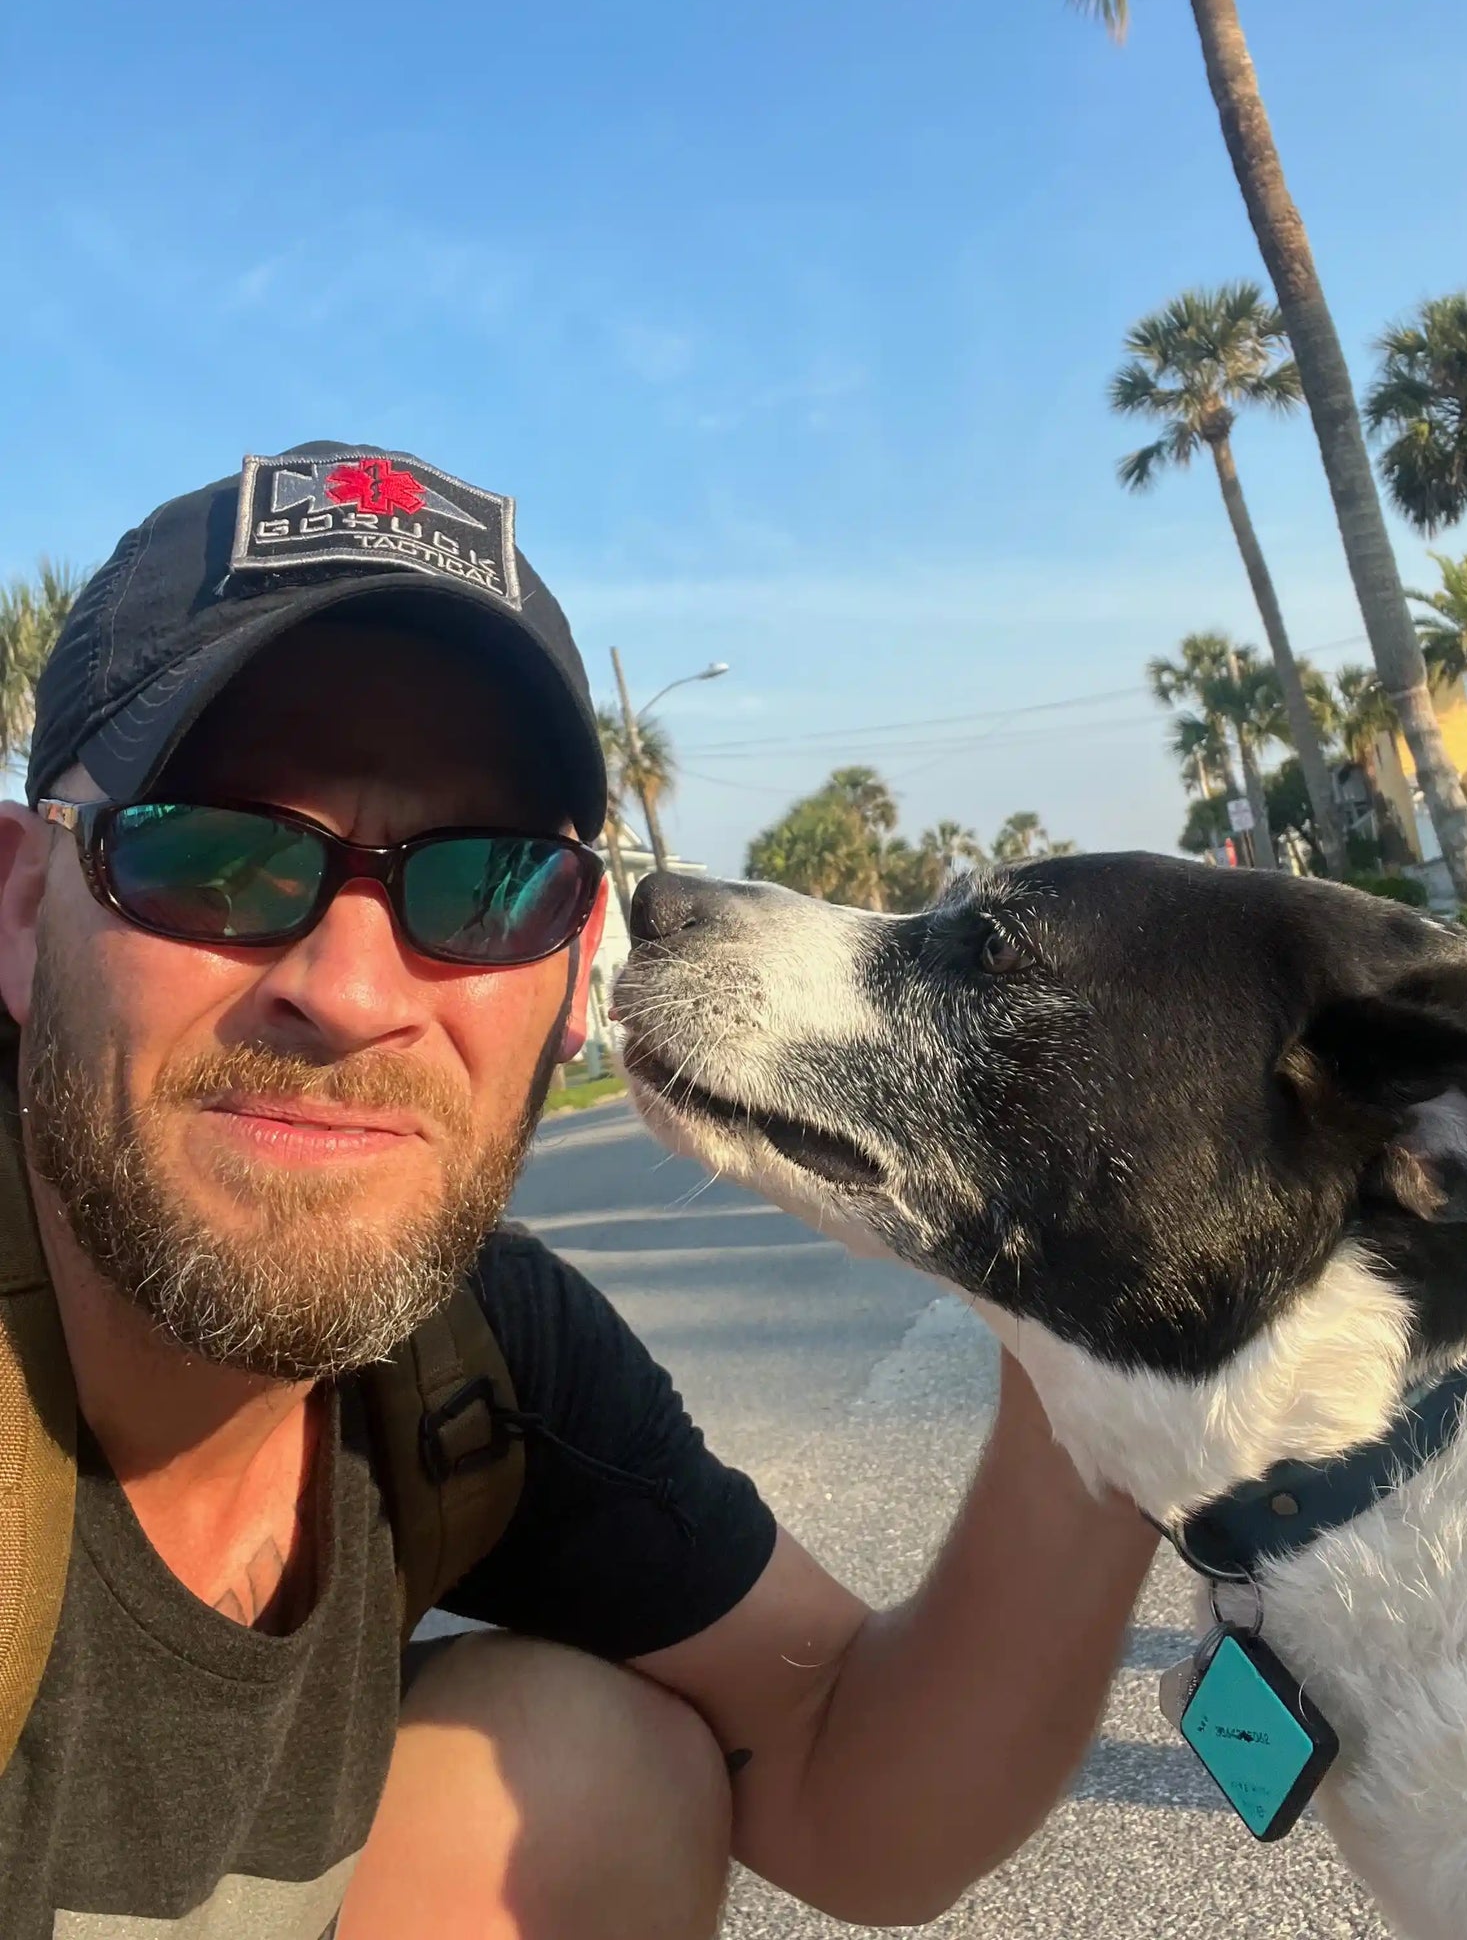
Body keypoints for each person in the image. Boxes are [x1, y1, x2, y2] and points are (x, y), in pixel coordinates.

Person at [0, 443, 1154, 1940]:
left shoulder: (476, 1357)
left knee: (591, 1776)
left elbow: (852, 1794)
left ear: (569, 970)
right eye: (212, 857)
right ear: (25, 912)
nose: (350, 993)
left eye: (486, 885)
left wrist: (1100, 1321)